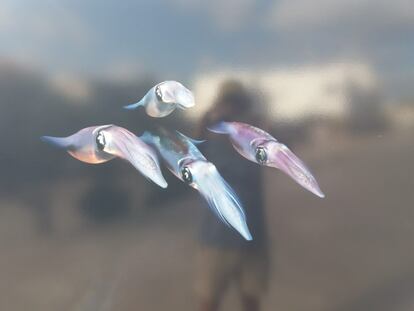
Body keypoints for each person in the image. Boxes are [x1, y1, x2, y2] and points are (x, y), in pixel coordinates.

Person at [195, 80, 270, 311]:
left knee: (251, 300)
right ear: (219, 106)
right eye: (228, 103)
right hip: (217, 237)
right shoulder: (208, 140)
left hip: (252, 235)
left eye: (238, 104)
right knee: (210, 301)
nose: (233, 109)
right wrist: (206, 122)